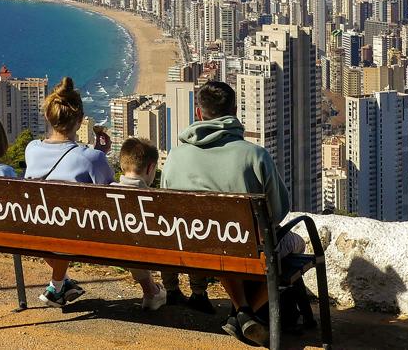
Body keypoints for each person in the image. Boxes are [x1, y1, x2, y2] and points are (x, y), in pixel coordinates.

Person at [161, 81, 304, 347]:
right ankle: (245, 313)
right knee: (296, 243)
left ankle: (243, 311)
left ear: (198, 113)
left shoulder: (175, 156)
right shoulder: (255, 155)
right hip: (243, 246)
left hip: (195, 246)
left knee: (223, 244)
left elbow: (166, 205)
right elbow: (279, 211)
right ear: (235, 111)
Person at [24, 76, 114, 308]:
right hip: (78, 234)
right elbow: (109, 194)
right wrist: (100, 153)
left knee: (53, 225)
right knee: (63, 227)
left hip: (35, 228)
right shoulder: (91, 157)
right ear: (81, 120)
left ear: (47, 116)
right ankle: (57, 285)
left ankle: (60, 284)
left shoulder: (31, 149)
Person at [112, 137, 166, 311]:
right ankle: (153, 291)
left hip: (109, 247)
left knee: (129, 243)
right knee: (135, 245)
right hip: (143, 249)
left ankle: (151, 291)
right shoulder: (156, 200)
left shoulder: (106, 192)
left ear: (122, 166)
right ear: (150, 168)